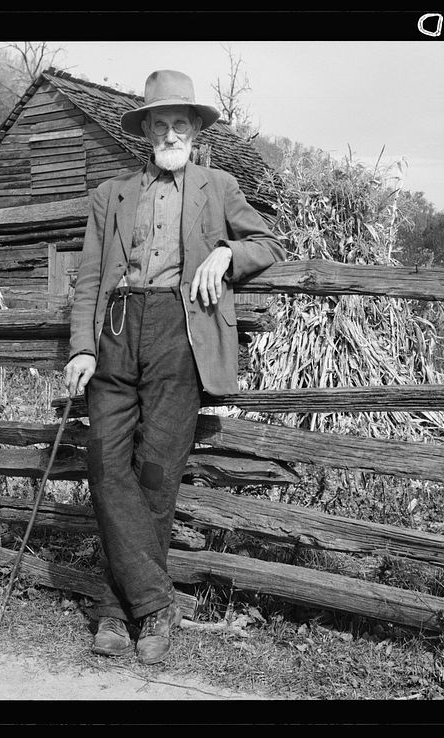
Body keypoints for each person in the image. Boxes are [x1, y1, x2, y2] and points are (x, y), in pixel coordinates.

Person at [63, 69, 285, 665]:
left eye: (178, 124)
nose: (168, 133)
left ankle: (115, 610)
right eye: (158, 124)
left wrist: (225, 253)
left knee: (156, 470)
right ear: (146, 131)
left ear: (194, 131)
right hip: (114, 330)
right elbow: (87, 278)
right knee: (105, 459)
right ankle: (155, 603)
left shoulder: (219, 185)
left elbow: (267, 244)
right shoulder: (110, 195)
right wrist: (81, 347)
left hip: (179, 334)